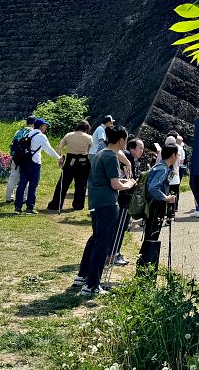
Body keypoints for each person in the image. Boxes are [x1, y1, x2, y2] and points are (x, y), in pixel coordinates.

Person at [73, 125, 135, 297]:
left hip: (95, 202)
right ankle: (92, 285)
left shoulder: (101, 153)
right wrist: (129, 184)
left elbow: (108, 179)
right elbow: (115, 184)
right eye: (126, 139)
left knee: (95, 240)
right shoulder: (110, 157)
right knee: (102, 244)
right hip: (108, 204)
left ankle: (82, 276)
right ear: (122, 140)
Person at [138, 144, 179, 272]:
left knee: (150, 235)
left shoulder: (161, 166)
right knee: (152, 236)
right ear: (173, 155)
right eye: (176, 155)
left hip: (153, 206)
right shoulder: (162, 169)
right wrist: (166, 198)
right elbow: (153, 187)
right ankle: (145, 267)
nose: (177, 157)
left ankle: (144, 265)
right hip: (156, 207)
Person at [109, 138, 146, 267]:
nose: (142, 151)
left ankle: (114, 253)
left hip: (124, 198)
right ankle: (113, 254)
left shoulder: (132, 160)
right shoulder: (127, 157)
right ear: (131, 148)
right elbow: (127, 179)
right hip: (123, 198)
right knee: (120, 227)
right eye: (140, 148)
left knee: (121, 227)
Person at [14, 119, 60, 214]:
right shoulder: (41, 136)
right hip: (34, 163)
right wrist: (59, 158)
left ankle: (17, 207)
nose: (46, 128)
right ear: (41, 126)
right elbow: (49, 150)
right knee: (33, 186)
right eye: (45, 126)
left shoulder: (28, 134)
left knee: (22, 185)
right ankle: (30, 207)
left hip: (24, 162)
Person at [46, 120, 93, 211]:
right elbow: (91, 150)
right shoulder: (89, 137)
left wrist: (60, 158)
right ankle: (78, 205)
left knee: (63, 183)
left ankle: (56, 204)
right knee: (81, 185)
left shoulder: (68, 135)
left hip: (70, 161)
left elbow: (59, 147)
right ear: (86, 128)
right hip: (83, 162)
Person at [5, 116, 35, 203]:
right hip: (26, 159)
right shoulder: (33, 132)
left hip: (16, 157)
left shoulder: (18, 131)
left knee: (13, 177)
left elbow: (12, 145)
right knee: (25, 178)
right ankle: (24, 198)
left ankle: (9, 197)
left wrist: (12, 157)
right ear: (33, 123)